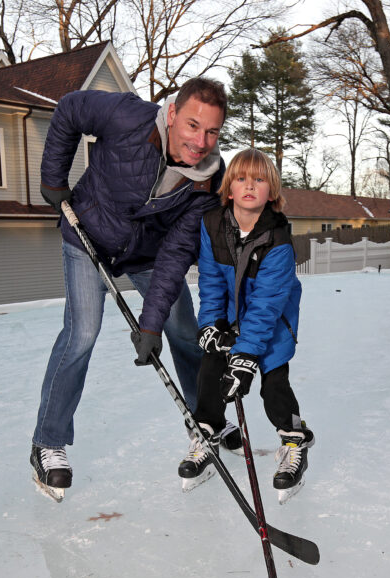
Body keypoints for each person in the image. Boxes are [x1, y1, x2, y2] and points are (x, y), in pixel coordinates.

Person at [30, 77, 241, 500]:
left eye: (212, 131)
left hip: (147, 254)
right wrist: (54, 178)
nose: (200, 141)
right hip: (85, 232)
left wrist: (151, 325)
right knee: (82, 333)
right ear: (173, 114)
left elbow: (177, 253)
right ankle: (48, 443)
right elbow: (70, 107)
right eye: (193, 125)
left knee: (183, 329)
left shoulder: (206, 182)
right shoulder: (128, 115)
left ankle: (206, 420)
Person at [177, 148, 313, 502]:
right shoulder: (211, 226)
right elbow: (210, 282)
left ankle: (294, 440)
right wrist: (210, 324)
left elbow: (267, 305)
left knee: (273, 386)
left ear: (272, 191)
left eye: (259, 179)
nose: (249, 186)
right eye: (241, 178)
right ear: (229, 188)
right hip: (230, 318)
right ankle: (208, 432)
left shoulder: (278, 240)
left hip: (271, 324)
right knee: (210, 370)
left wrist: (246, 356)